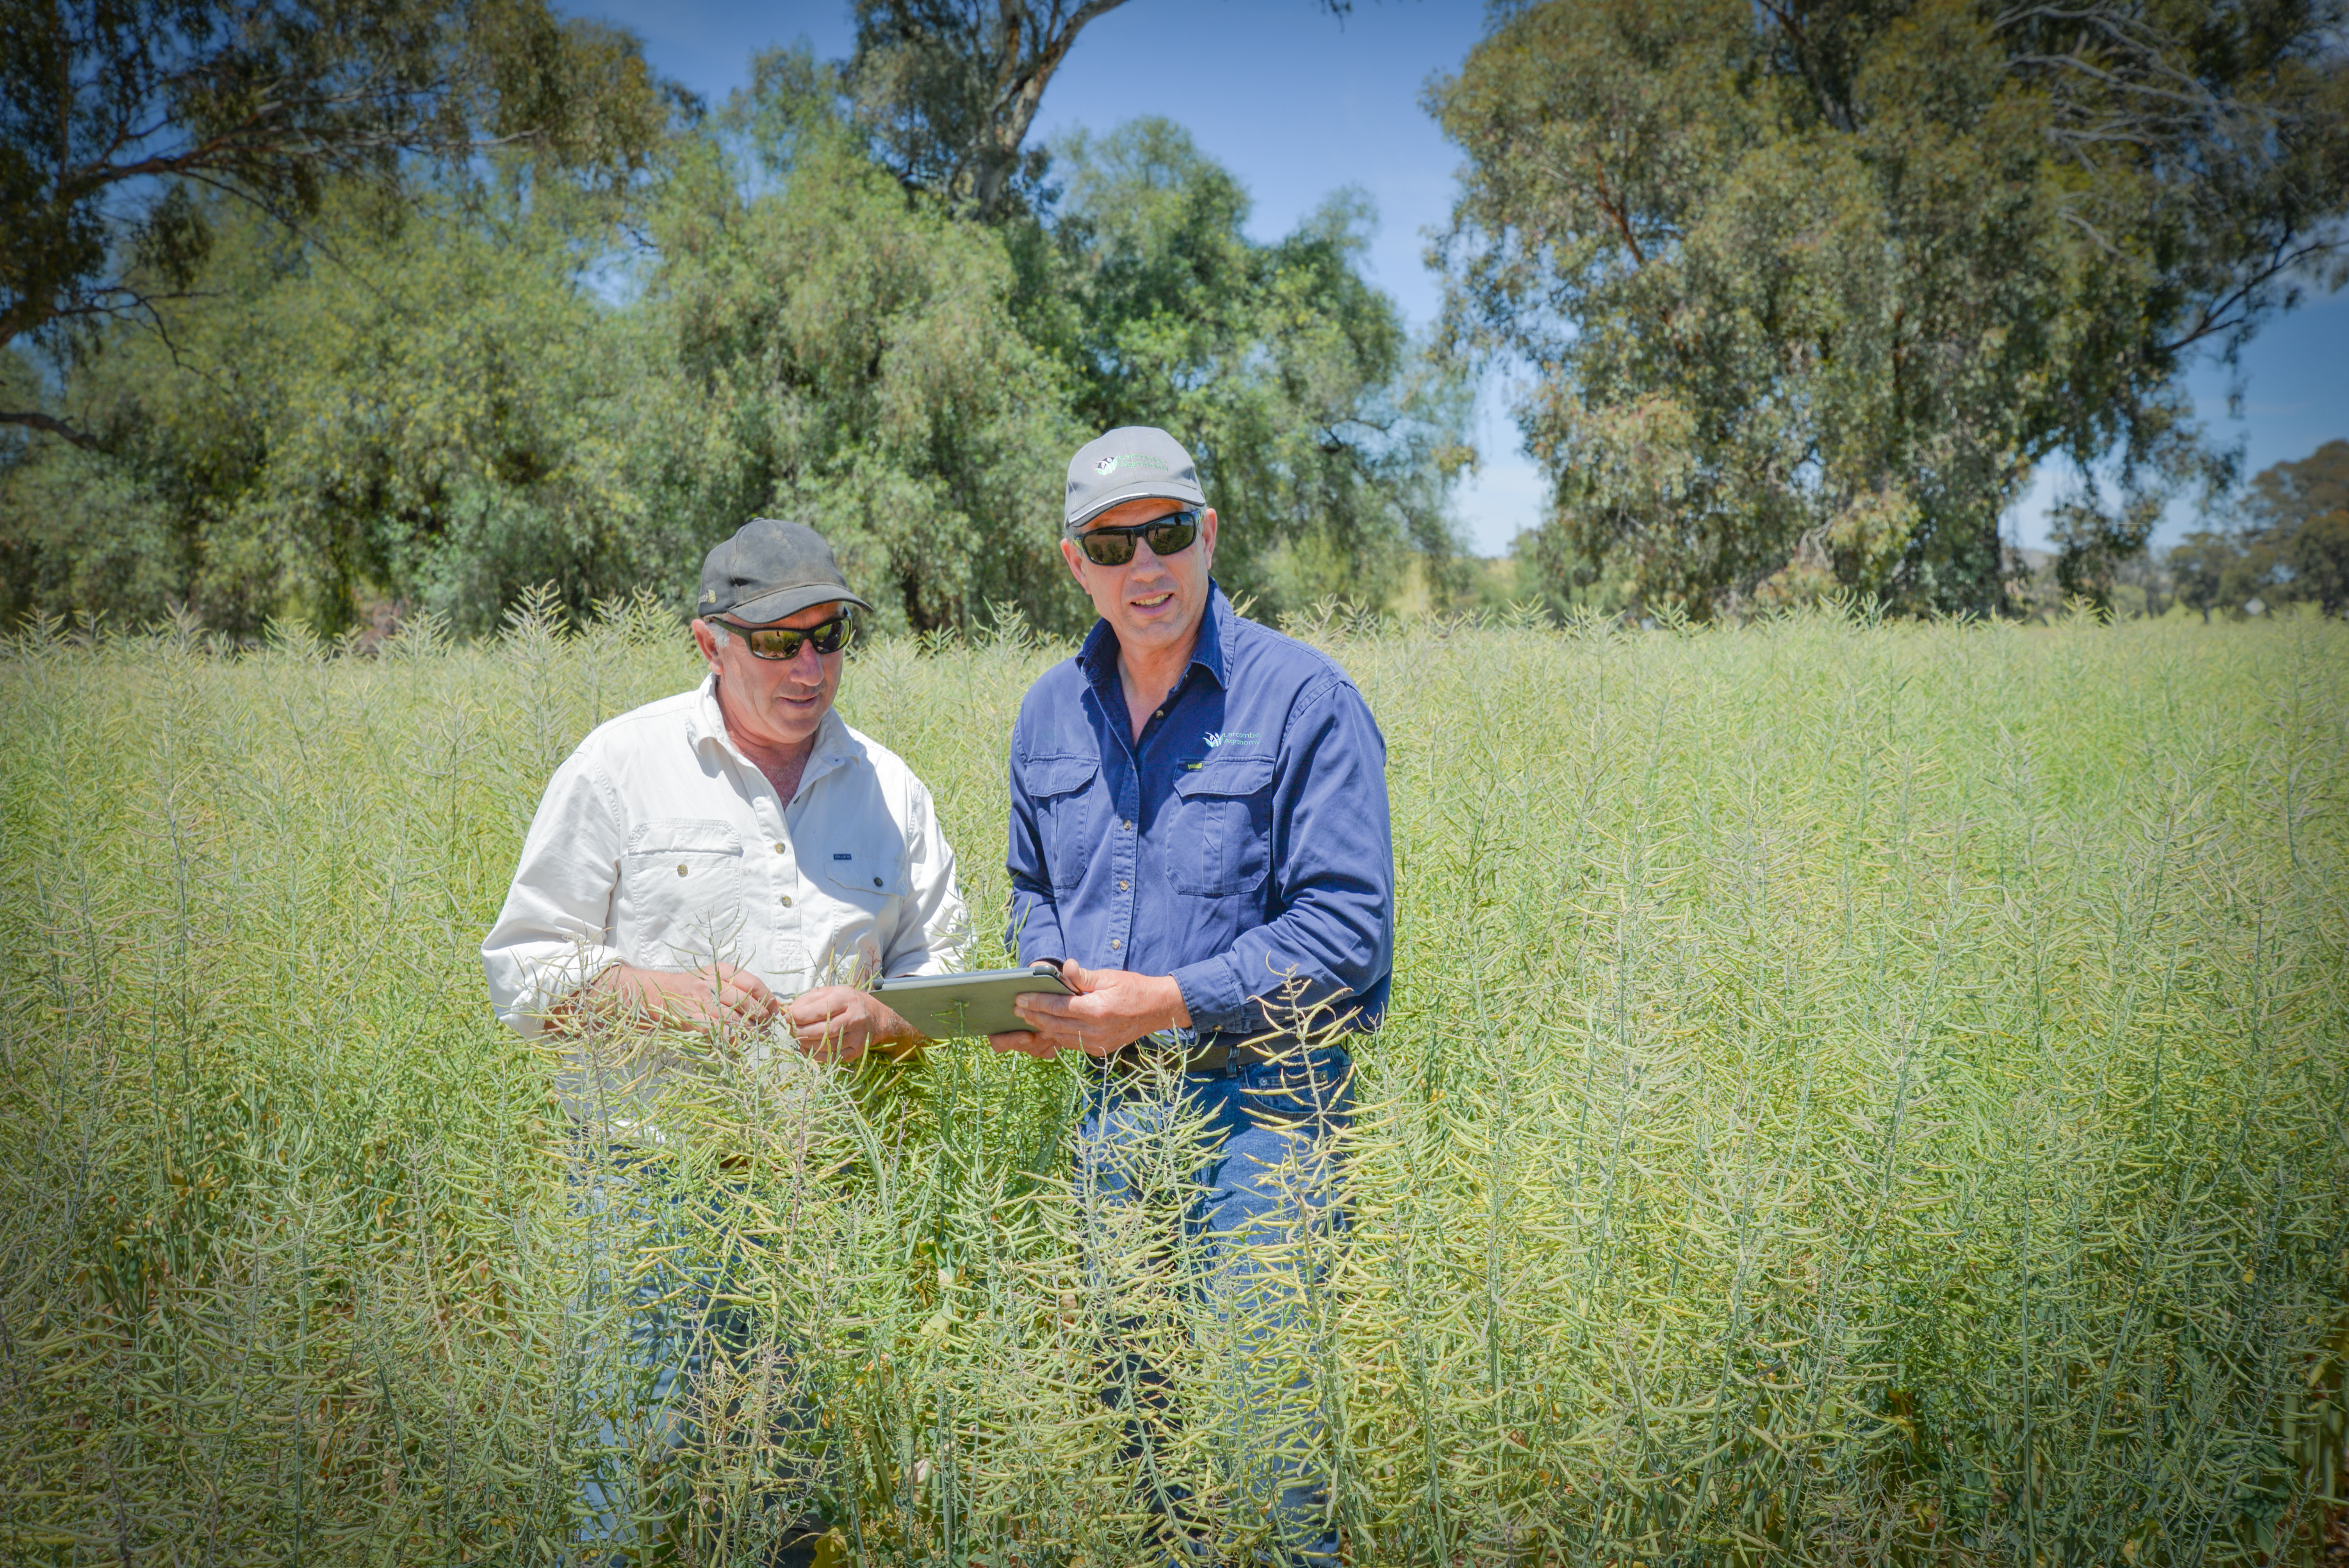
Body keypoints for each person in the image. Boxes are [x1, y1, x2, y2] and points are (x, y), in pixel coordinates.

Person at [482, 517, 968, 1562]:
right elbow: (521, 974)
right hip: (649, 1190)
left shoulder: (894, 792)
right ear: (710, 644)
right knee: (632, 1483)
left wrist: (886, 1021)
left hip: (828, 1194)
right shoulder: (619, 767)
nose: (810, 667)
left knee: (802, 1492)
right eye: (777, 642)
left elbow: (946, 983)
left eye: (829, 636)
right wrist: (662, 994)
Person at [990, 427, 1394, 1564]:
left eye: (1168, 533)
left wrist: (1162, 1001)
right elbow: (1035, 886)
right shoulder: (1046, 717)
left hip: (1272, 1114)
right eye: (1112, 546)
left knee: (1274, 1452)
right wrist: (1048, 991)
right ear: (1074, 564)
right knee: (1142, 1453)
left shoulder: (1304, 699)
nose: (1146, 568)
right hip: (1116, 1120)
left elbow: (1348, 933)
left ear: (1209, 535)